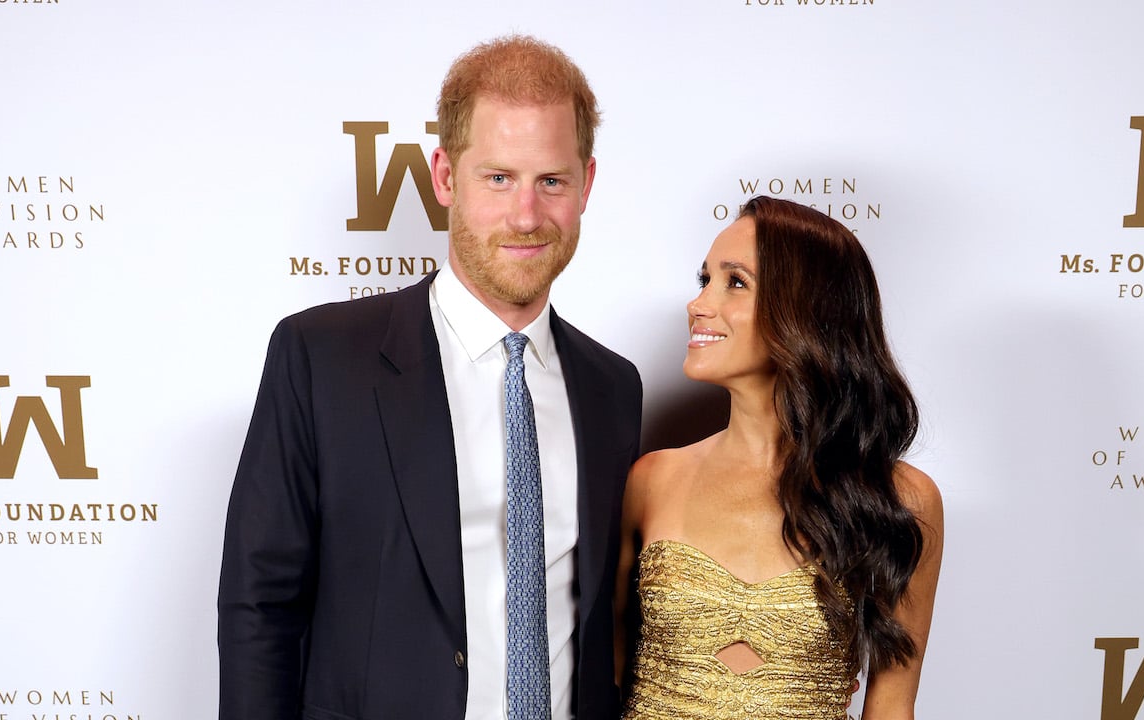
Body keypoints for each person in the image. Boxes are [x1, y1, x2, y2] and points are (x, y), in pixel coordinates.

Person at [218, 35, 642, 720]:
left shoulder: (612, 388)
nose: (526, 215)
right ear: (445, 177)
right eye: (497, 178)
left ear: (586, 184)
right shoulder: (322, 358)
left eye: (551, 181)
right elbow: (260, 606)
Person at [615, 196, 943, 719]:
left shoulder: (900, 499)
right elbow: (609, 677)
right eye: (704, 279)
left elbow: (891, 706)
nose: (698, 304)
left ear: (806, 310)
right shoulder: (653, 478)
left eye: (734, 282)